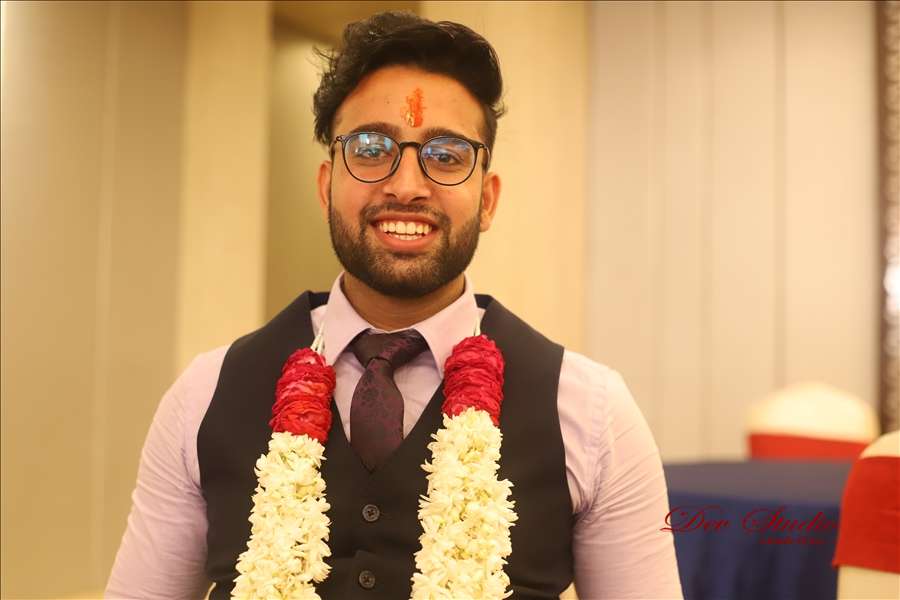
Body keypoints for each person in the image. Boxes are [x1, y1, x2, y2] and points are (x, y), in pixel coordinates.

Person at [106, 11, 682, 600]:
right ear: (327, 186)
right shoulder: (205, 396)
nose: (406, 186)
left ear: (487, 199)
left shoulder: (590, 413)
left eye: (447, 154)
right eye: (371, 148)